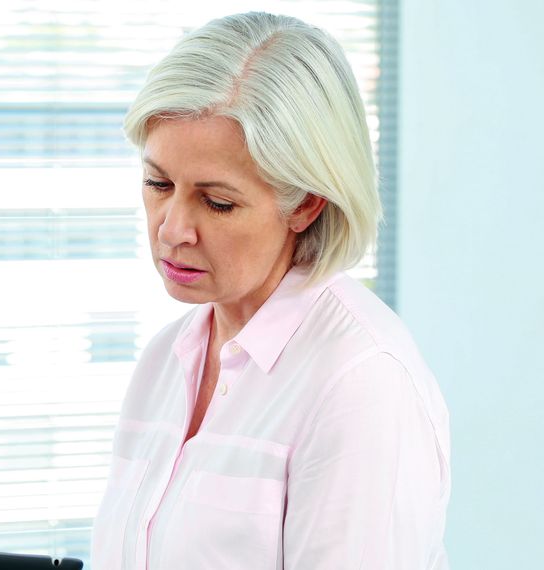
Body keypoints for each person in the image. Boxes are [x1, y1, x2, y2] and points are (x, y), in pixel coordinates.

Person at [92, 12, 450, 569]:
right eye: (158, 183)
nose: (172, 228)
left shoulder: (360, 384)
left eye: (217, 202)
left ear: (306, 203)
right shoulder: (166, 358)